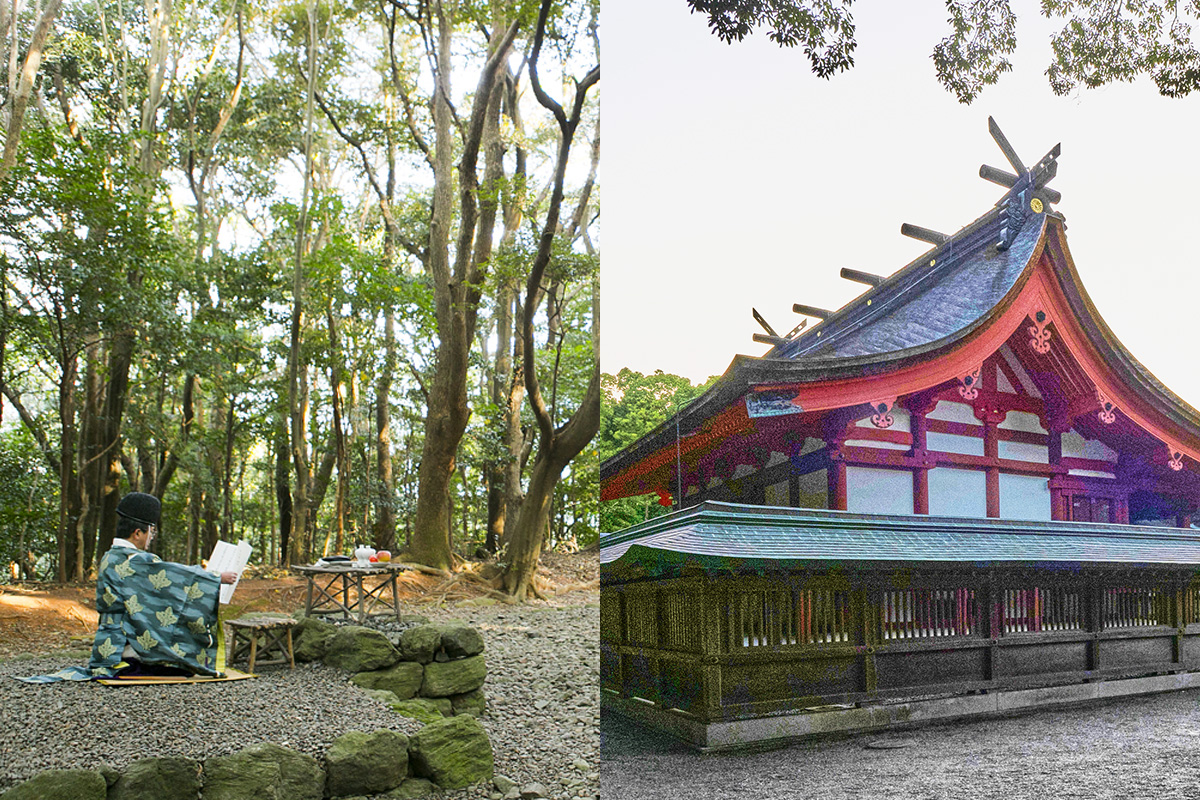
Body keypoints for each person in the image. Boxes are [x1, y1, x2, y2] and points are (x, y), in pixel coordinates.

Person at [17, 492, 240, 683]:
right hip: (124, 643)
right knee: (181, 660)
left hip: (113, 638)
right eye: (150, 533)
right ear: (137, 533)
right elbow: (174, 574)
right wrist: (216, 576)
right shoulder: (133, 560)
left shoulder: (111, 556)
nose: (151, 538)